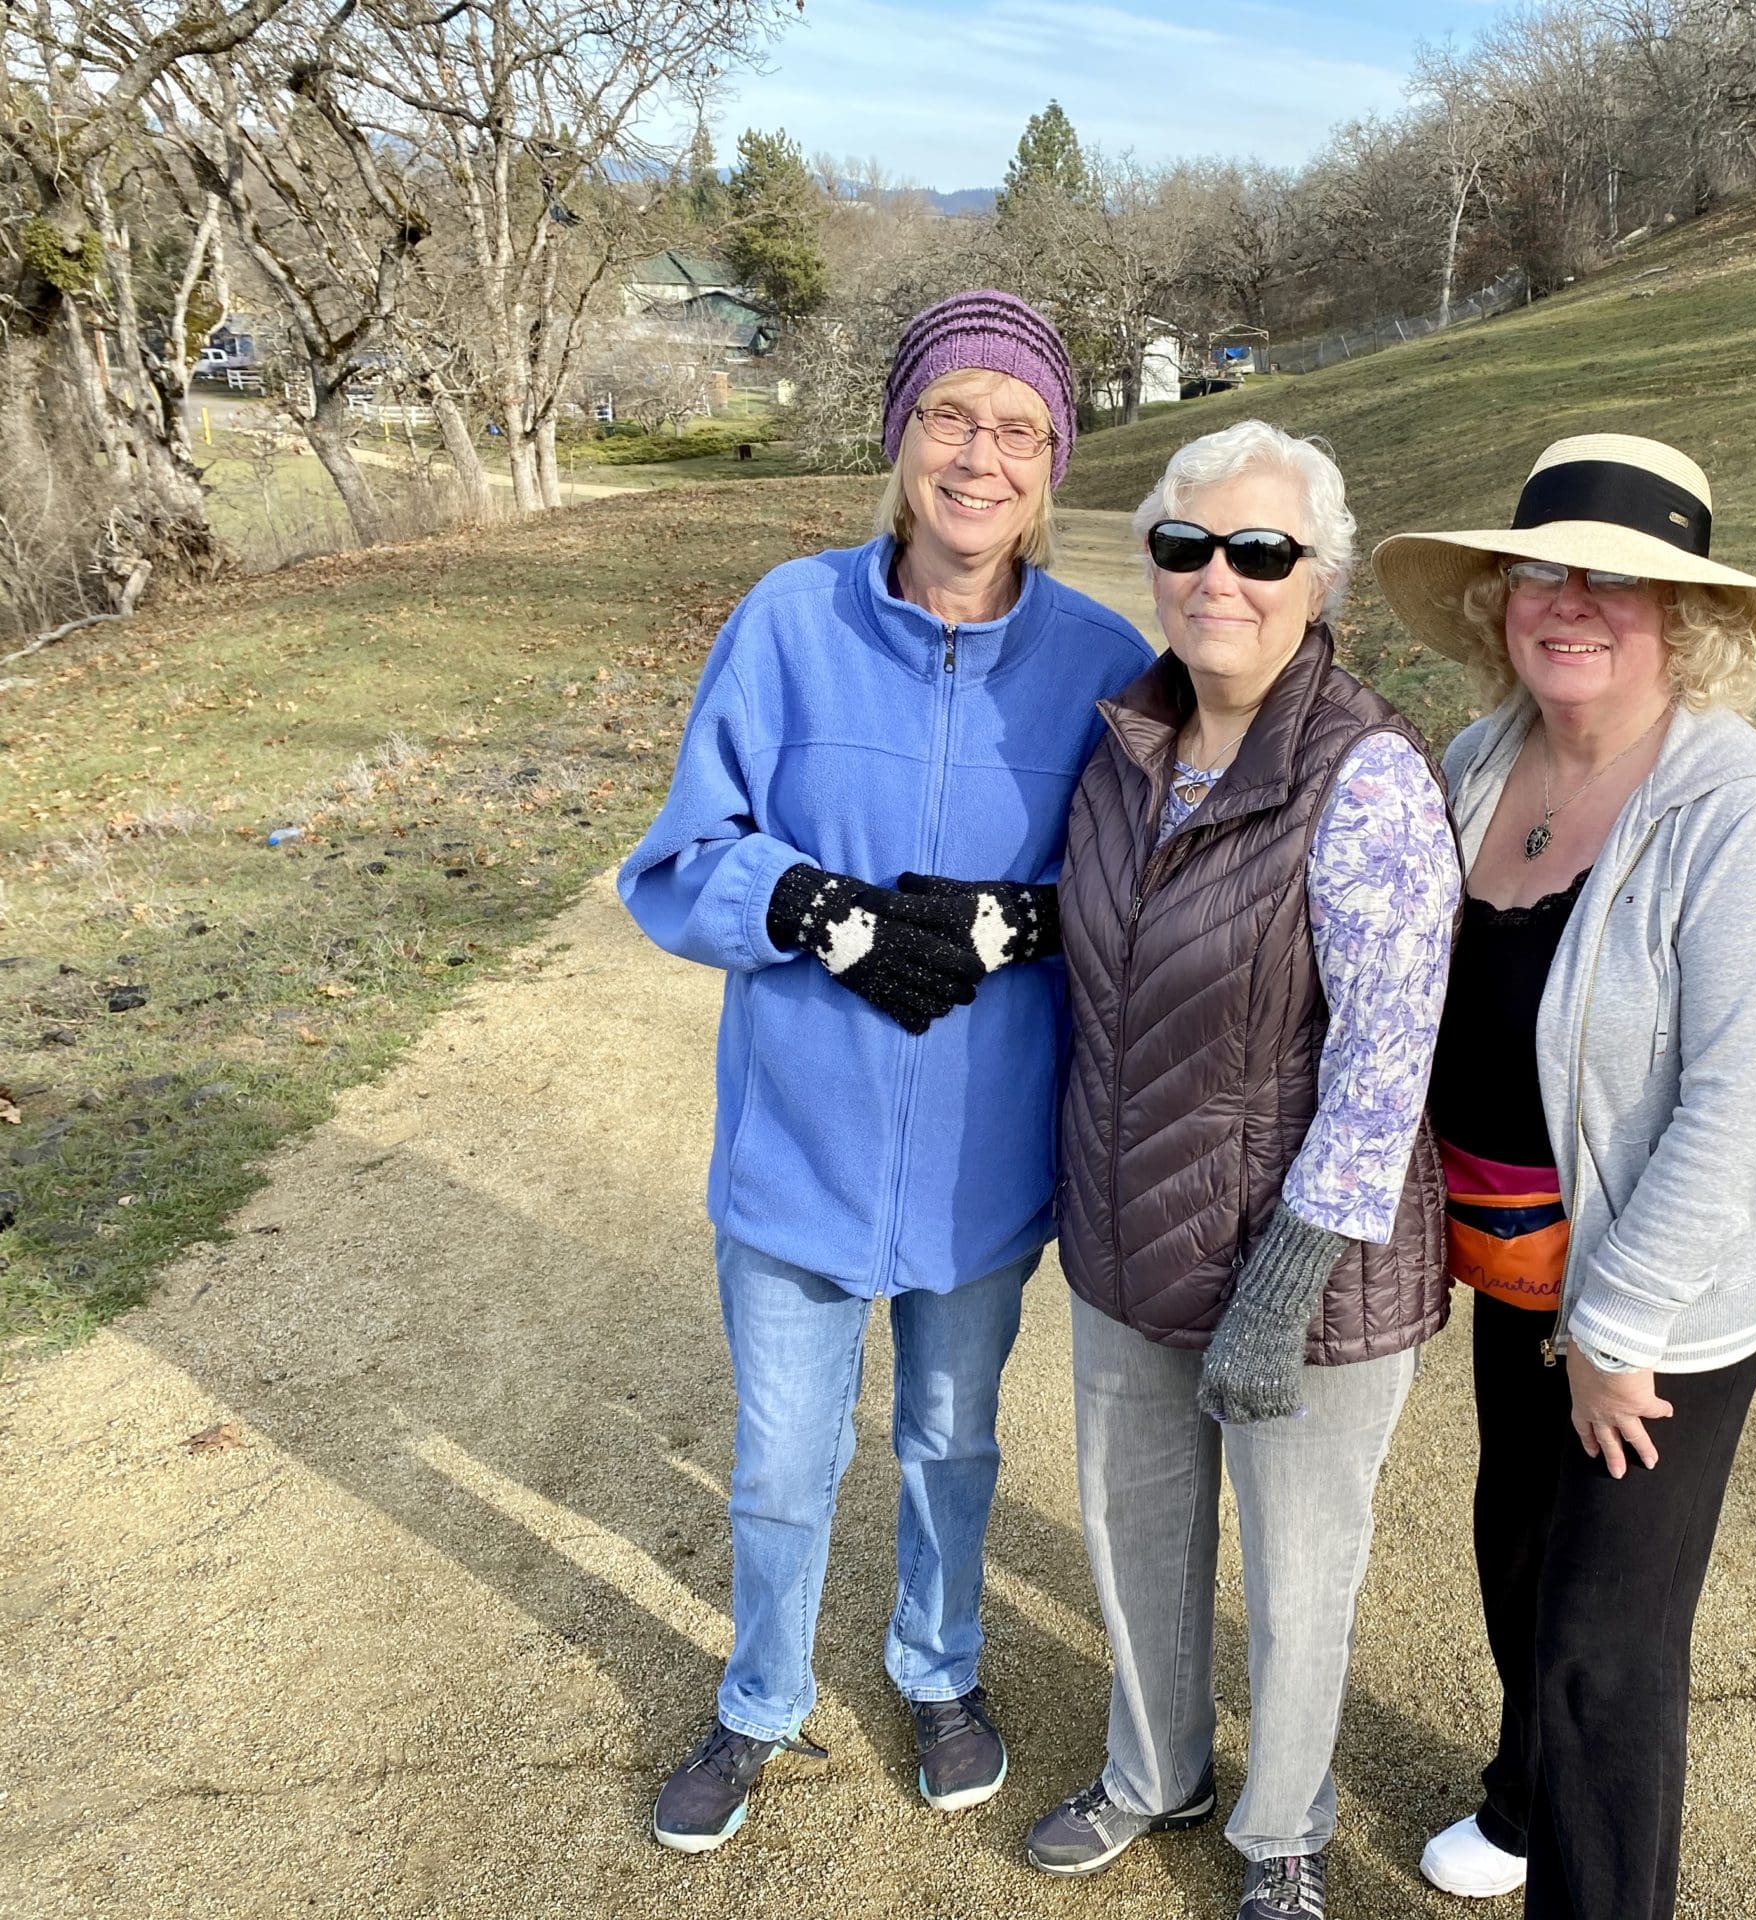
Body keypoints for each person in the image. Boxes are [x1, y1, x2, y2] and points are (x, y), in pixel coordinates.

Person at [618, 291, 1154, 1854]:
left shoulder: (1104, 663)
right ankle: (759, 1696)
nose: (979, 457)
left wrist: (1022, 918)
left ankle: (940, 1670)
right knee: (785, 1458)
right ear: (901, 436)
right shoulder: (788, 622)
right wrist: (813, 907)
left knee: (951, 1442)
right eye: (951, 417)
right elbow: (681, 858)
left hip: (986, 1159)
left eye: (1018, 429)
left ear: (1052, 464)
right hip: (798, 1146)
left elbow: (1148, 889)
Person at [1371, 433, 1756, 1919]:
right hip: (1513, 1260)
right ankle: (1521, 1803)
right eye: (1542, 575)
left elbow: (1738, 1105)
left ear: (1684, 620)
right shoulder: (1475, 765)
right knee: (1516, 1552)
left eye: (1614, 582)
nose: (1569, 603)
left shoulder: (1735, 817)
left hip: (1659, 1298)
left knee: (1603, 1647)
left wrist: (1618, 1330)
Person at [1023, 420, 1462, 1920]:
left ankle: (1283, 1831)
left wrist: (1288, 1276)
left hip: (1304, 1270)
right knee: (1135, 1532)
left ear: (1317, 577)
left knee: (1298, 1569)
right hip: (1131, 1236)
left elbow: (1389, 1058)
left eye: (1262, 551)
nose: (1221, 577)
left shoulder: (1368, 775)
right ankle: (1155, 1772)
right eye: (1187, 545)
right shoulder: (1124, 748)